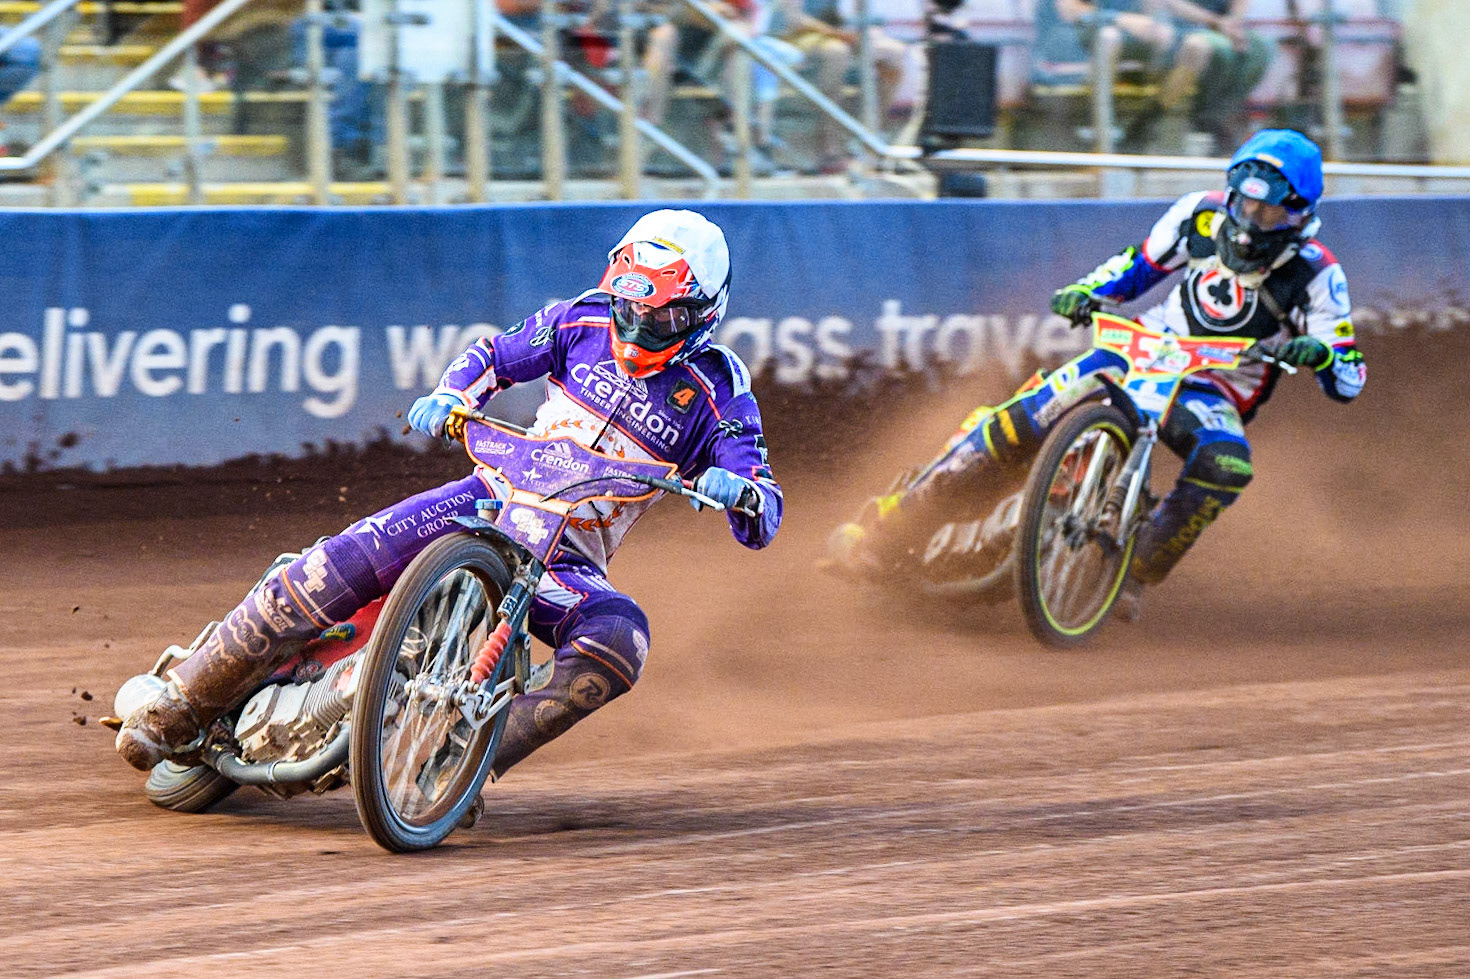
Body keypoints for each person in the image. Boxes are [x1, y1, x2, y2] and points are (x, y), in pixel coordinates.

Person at [115, 209, 784, 776]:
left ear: (700, 313)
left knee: (622, 638)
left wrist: (742, 493)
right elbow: (494, 355)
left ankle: (466, 765)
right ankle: (188, 698)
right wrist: (451, 393)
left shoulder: (720, 388)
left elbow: (764, 507)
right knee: (348, 554)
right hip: (486, 499)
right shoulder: (580, 320)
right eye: (627, 304)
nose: (635, 323)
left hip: (565, 561)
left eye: (655, 314)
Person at [831, 130, 1366, 616]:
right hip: (1143, 348)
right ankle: (889, 524)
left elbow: (1349, 376)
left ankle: (1133, 573)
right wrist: (1089, 291)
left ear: (1297, 213)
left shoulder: (1319, 273)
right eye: (1244, 201)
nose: (1250, 220)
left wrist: (1319, 355)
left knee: (1226, 463)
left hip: (1215, 385)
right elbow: (1136, 267)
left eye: (1267, 210)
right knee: (1024, 416)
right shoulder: (1197, 215)